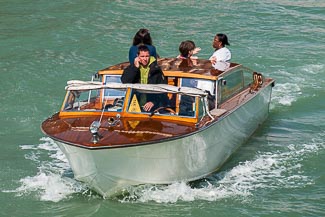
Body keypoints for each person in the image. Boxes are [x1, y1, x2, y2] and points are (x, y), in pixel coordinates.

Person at [122, 45, 167, 111]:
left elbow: (163, 89)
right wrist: (135, 68)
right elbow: (125, 81)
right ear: (138, 56)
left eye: (147, 56)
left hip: (151, 106)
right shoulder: (131, 68)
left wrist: (153, 102)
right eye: (142, 56)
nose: (145, 59)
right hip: (134, 104)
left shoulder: (156, 69)